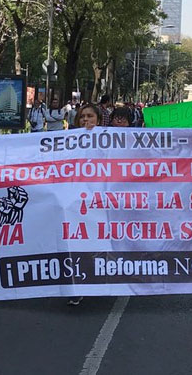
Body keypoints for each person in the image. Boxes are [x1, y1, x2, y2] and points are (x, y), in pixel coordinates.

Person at [67, 103, 103, 306]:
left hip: (101, 200)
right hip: (76, 200)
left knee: (95, 242)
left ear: (98, 119)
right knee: (76, 242)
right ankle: (77, 286)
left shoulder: (111, 141)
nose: (85, 120)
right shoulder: (68, 140)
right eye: (82, 117)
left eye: (90, 116)